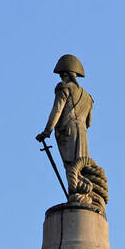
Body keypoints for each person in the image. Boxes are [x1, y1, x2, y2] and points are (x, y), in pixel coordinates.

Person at [35, 55, 94, 189]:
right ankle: (82, 193)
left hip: (67, 131)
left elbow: (57, 110)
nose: (61, 78)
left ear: (66, 74)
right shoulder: (88, 97)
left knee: (71, 166)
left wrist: (47, 131)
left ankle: (75, 194)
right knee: (82, 167)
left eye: (62, 75)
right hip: (82, 134)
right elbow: (88, 123)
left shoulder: (64, 88)